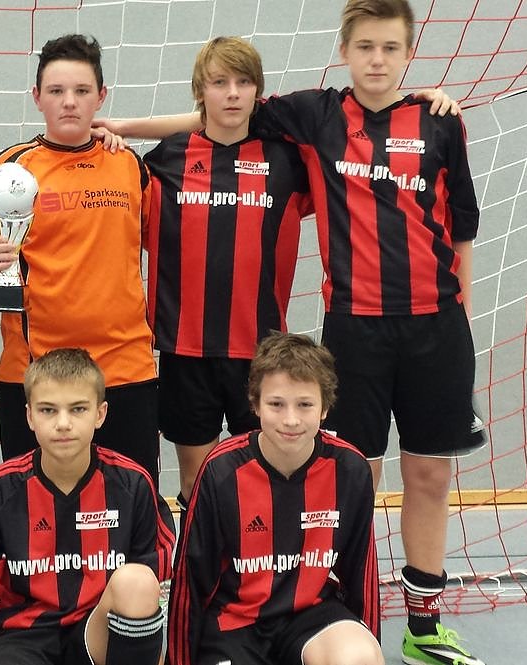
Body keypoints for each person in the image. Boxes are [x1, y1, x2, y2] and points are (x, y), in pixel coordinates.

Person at [102, 4, 484, 662]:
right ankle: (306, 610)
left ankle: (423, 628)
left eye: (390, 47)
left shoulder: (439, 122)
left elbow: (464, 225)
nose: (377, 59)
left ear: (408, 51)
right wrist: (123, 128)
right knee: (350, 478)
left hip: (436, 329)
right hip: (352, 329)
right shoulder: (316, 116)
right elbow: (220, 118)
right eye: (365, 46)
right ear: (344, 50)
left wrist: (463, 318)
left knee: (428, 476)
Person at [0, 34, 160, 485]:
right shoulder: (12, 170)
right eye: (56, 91)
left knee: (131, 505)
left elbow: (165, 245)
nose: (69, 102)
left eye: (82, 90)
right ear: (37, 97)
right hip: (36, 375)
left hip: (124, 369)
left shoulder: (130, 166)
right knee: (33, 512)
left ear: (101, 97)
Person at [142, 36, 313, 507]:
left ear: (258, 91)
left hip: (261, 350)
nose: (233, 93)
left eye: (243, 82)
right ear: (201, 91)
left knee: (263, 480)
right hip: (184, 348)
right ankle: (198, 555)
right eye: (220, 82)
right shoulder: (164, 159)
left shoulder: (287, 162)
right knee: (198, 484)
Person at [0, 348, 175, 665]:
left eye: (78, 409)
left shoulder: (132, 485)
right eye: (48, 410)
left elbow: (147, 600)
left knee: (137, 582)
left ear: (100, 414)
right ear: (29, 416)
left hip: (96, 634)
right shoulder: (0, 490)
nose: (63, 423)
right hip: (22, 637)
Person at [169, 332, 381, 665]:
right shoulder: (222, 471)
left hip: (311, 619)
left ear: (325, 408)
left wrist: (368, 641)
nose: (291, 419)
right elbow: (190, 582)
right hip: (234, 622)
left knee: (360, 657)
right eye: (276, 404)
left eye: (305, 404)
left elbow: (361, 576)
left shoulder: (350, 470)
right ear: (255, 404)